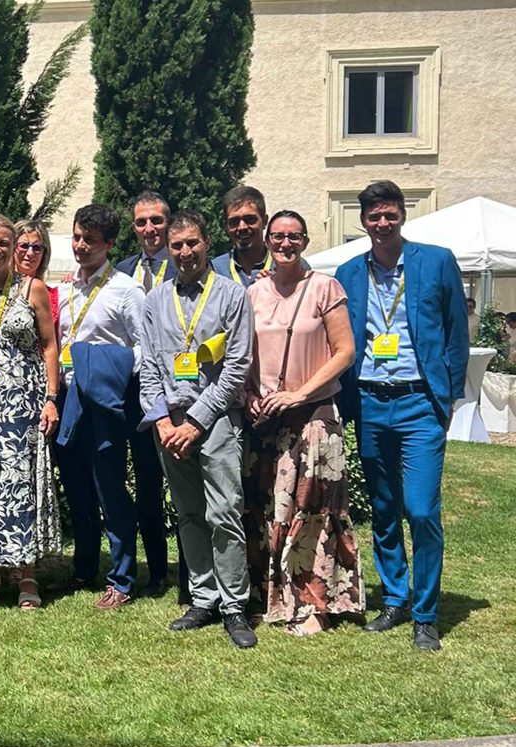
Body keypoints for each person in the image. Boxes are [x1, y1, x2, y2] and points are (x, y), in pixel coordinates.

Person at [336, 181, 468, 652]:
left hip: (420, 403)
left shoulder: (436, 262)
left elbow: (456, 334)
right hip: (371, 402)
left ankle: (426, 614)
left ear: (402, 216)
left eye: (390, 214)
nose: (382, 223)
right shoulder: (350, 272)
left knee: (422, 509)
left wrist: (449, 398)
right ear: (363, 221)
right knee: (384, 508)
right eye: (374, 216)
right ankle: (395, 598)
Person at [241, 211, 364, 636]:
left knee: (313, 511)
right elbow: (243, 354)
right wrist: (248, 394)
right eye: (278, 236)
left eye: (294, 237)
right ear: (267, 242)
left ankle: (314, 605)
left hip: (313, 417)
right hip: (264, 420)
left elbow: (345, 351)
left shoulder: (325, 287)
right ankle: (271, 597)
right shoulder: (254, 292)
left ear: (306, 242)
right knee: (266, 511)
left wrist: (300, 393)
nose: (285, 243)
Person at [140, 210, 257, 649]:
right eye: (177, 245)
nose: (185, 252)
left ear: (207, 243)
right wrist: (163, 420)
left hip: (217, 420)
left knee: (224, 512)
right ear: (168, 250)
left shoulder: (232, 295)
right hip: (170, 424)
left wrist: (196, 421)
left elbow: (237, 367)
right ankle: (203, 598)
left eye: (192, 243)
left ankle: (234, 605)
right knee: (188, 513)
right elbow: (148, 367)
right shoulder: (155, 300)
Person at [52, 204, 145, 609]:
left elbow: (144, 347)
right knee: (77, 488)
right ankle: (84, 567)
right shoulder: (65, 289)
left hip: (105, 402)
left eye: (89, 240)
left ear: (109, 244)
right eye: (76, 237)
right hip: (68, 398)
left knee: (110, 489)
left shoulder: (126, 289)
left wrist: (110, 369)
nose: (80, 246)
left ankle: (121, 579)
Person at [0, 216, 62, 609]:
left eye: (3, 244)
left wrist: (51, 397)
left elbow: (50, 346)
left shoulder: (31, 288)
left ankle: (26, 574)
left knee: (22, 484)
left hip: (25, 400)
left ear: (13, 248)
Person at [115, 191, 180, 597]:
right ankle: (156, 571)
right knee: (147, 484)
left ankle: (190, 574)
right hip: (134, 393)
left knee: (186, 486)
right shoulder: (122, 270)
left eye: (157, 220)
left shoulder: (188, 262)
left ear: (168, 223)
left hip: (179, 390)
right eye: (142, 222)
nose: (149, 228)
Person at [212, 186, 272, 287]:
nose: (242, 227)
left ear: (265, 221)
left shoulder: (285, 267)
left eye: (250, 219)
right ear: (226, 226)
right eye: (234, 221)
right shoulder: (215, 270)